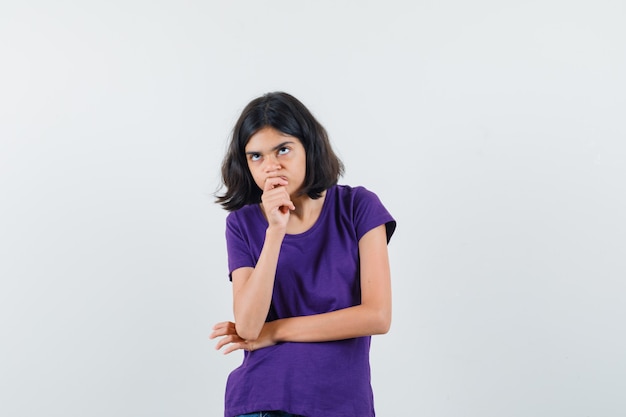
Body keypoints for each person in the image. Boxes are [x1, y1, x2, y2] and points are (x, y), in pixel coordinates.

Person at [209, 92, 396, 417]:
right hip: (260, 401)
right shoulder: (242, 223)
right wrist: (275, 232)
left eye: (283, 149)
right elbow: (250, 328)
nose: (271, 166)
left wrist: (276, 331)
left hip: (340, 402)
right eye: (256, 156)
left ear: (309, 147)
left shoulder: (357, 208)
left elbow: (377, 316)